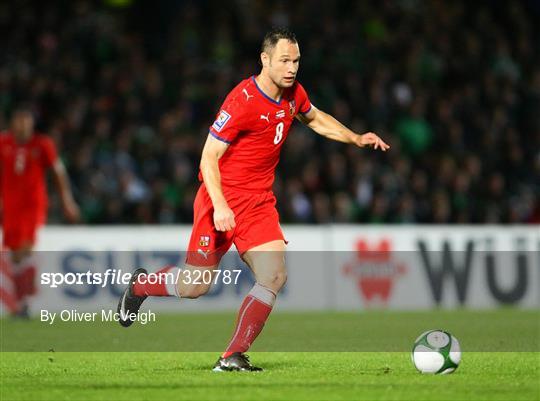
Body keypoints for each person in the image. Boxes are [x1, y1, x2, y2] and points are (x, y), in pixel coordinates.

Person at [117, 28, 389, 371]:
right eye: (284, 61)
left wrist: (354, 138)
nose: (292, 68)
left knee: (274, 276)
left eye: (296, 61)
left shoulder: (294, 93)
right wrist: (220, 206)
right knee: (193, 287)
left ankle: (232, 355)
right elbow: (208, 158)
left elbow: (315, 117)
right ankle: (141, 286)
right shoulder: (242, 101)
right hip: (221, 198)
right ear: (265, 59)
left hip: (258, 202)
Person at [0, 107, 80, 317]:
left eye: (26, 121)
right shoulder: (3, 143)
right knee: (14, 255)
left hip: (33, 205)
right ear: (12, 123)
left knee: (26, 248)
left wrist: (67, 200)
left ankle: (26, 301)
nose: (23, 125)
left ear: (32, 124)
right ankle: (21, 301)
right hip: (10, 207)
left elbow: (58, 171)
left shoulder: (42, 144)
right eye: (19, 120)